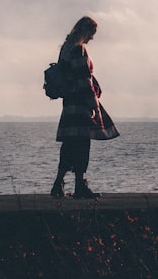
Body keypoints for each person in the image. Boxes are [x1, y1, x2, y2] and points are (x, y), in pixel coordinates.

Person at [51, 16, 119, 199]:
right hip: (81, 104)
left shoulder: (65, 49)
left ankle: (58, 184)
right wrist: (93, 105)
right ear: (85, 32)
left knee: (69, 145)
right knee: (82, 144)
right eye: (91, 34)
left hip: (69, 104)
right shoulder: (79, 50)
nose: (92, 38)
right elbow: (84, 80)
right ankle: (80, 186)